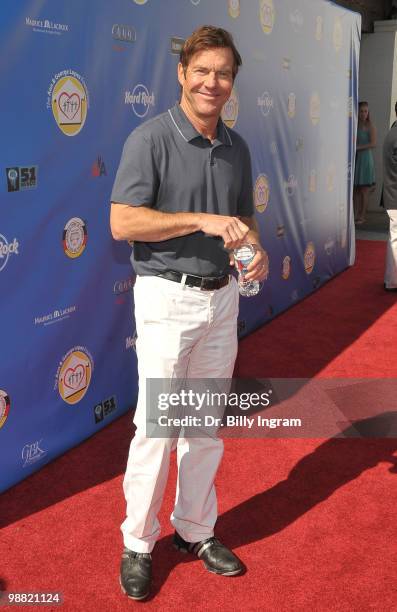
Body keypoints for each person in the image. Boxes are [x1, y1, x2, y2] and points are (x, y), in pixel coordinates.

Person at [110, 25, 267, 600]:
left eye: (223, 73)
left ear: (232, 82)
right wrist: (198, 219)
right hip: (165, 297)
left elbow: (244, 221)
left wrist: (255, 251)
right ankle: (138, 542)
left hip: (221, 299)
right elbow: (123, 222)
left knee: (202, 428)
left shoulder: (237, 146)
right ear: (182, 74)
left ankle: (194, 531)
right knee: (156, 428)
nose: (212, 82)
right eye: (202, 71)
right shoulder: (149, 139)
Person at [353, 101, 376, 224]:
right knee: (356, 190)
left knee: (364, 190)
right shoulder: (355, 125)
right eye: (361, 111)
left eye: (365, 111)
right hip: (356, 159)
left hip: (366, 159)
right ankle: (355, 214)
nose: (363, 114)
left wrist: (358, 147)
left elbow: (373, 144)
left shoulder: (370, 126)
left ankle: (362, 216)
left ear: (368, 113)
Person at [382, 109, 397, 290]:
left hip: (391, 194)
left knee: (393, 238)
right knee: (395, 239)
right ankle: (392, 281)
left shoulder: (392, 132)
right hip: (395, 195)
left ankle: (390, 279)